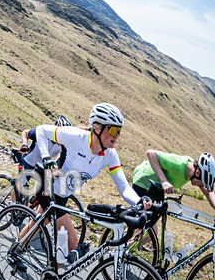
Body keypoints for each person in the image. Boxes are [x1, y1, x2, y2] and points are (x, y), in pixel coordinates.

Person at [27, 103, 150, 262]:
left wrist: (140, 201)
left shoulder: (110, 155)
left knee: (36, 225)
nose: (117, 135)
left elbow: (124, 187)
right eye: (113, 130)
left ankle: (15, 251)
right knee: (72, 242)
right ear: (98, 128)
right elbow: (41, 130)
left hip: (64, 194)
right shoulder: (76, 137)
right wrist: (46, 158)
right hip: (49, 188)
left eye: (119, 131)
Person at [132, 150, 215, 209]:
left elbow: (209, 193)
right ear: (197, 173)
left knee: (151, 228)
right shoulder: (178, 164)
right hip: (143, 183)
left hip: (155, 187)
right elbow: (150, 153)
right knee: (143, 223)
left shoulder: (193, 173)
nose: (200, 185)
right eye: (202, 182)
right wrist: (164, 181)